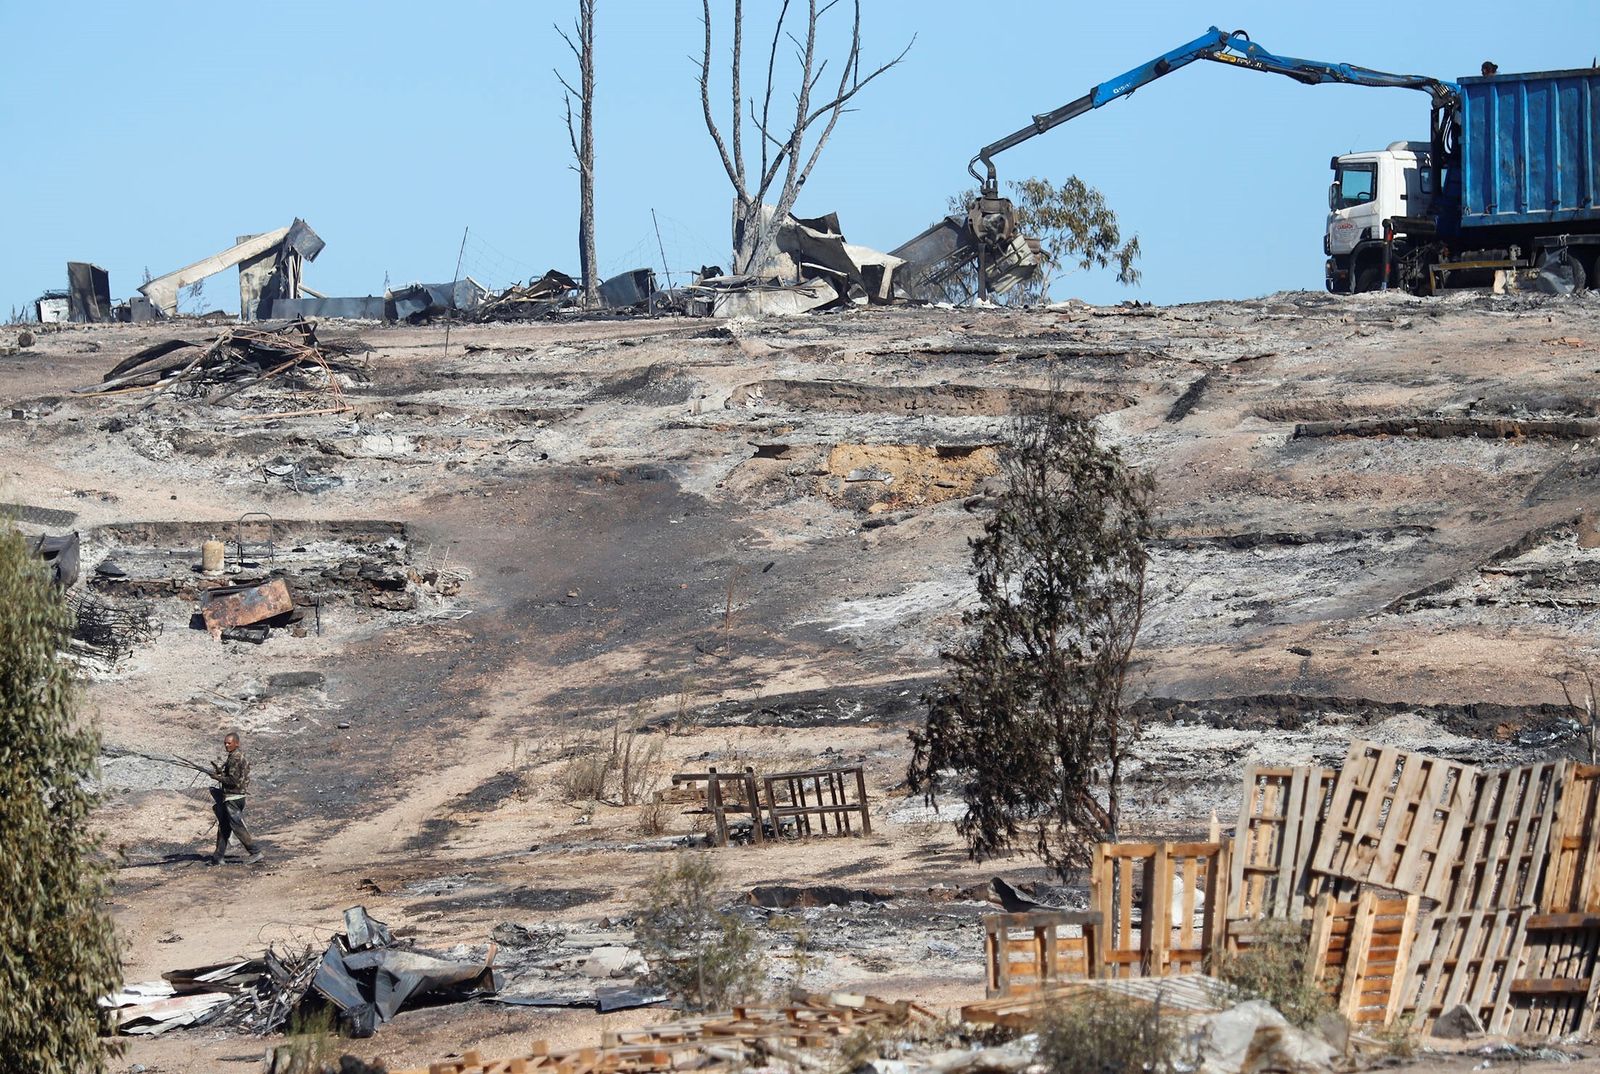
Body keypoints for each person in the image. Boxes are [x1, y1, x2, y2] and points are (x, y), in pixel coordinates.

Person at [208, 732, 264, 865]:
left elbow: (232, 780)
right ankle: (218, 857)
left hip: (233, 797)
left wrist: (217, 777)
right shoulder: (237, 756)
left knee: (236, 825)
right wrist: (220, 773)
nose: (226, 745)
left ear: (236, 743)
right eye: (225, 743)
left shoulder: (234, 758)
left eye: (229, 743)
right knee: (224, 826)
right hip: (237, 795)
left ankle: (255, 852)